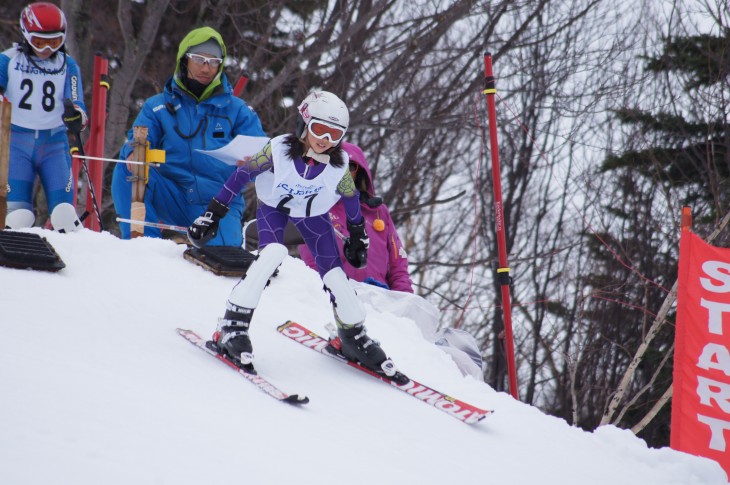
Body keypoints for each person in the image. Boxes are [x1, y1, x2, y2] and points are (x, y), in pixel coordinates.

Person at [187, 90, 406, 382]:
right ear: (304, 123)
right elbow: (242, 176)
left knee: (337, 277)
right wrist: (213, 213)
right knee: (271, 255)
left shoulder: (338, 164)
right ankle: (233, 326)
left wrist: (357, 235)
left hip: (314, 216)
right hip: (275, 209)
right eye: (319, 129)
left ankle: (352, 334)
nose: (325, 139)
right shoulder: (278, 151)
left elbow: (351, 197)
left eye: (335, 134)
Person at [111, 26, 266, 245]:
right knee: (127, 169)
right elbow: (139, 138)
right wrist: (134, 153)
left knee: (220, 261)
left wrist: (254, 164)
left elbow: (263, 151)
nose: (206, 67)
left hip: (219, 204)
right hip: (173, 194)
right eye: (199, 59)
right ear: (184, 60)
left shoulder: (237, 110)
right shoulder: (158, 107)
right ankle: (143, 246)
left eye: (214, 62)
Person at [0, 2, 87, 232]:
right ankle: (13, 262)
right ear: (26, 35)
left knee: (64, 215)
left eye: (55, 42)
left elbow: (77, 101)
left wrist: (76, 116)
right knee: (18, 216)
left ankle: (78, 260)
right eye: (39, 42)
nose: (47, 49)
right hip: (17, 143)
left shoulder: (67, 65)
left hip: (54, 144)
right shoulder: (8, 60)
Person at [298, 142, 414, 293]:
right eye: (338, 165)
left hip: (382, 301)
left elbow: (398, 263)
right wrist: (334, 295)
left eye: (351, 166)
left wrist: (403, 301)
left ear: (360, 172)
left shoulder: (378, 212)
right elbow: (313, 263)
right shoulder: (313, 208)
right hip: (339, 299)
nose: (344, 172)